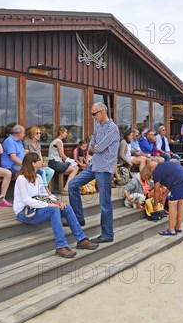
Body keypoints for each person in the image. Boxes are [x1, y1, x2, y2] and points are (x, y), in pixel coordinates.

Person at [13, 153, 98, 258]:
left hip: (37, 208)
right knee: (54, 210)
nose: (42, 161)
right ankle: (61, 246)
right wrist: (50, 205)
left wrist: (57, 202)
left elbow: (44, 194)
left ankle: (81, 240)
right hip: (24, 212)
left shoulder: (38, 177)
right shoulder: (21, 179)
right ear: (33, 163)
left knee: (67, 207)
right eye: (39, 160)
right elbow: (27, 200)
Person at [68, 103, 121, 243]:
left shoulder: (113, 128)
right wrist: (95, 146)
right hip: (94, 165)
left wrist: (95, 146)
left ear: (103, 111)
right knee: (73, 185)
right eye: (92, 114)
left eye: (94, 114)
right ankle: (79, 218)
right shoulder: (98, 127)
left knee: (105, 202)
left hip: (104, 168)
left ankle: (107, 234)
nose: (93, 117)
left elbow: (99, 147)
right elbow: (91, 147)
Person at [150, 161, 183, 235]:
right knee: (180, 202)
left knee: (172, 203)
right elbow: (171, 184)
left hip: (180, 179)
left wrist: (156, 204)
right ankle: (178, 227)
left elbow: (156, 190)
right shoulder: (166, 166)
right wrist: (164, 195)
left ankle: (171, 230)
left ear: (151, 168)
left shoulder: (156, 171)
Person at [48, 126, 79, 194]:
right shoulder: (58, 142)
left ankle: (67, 187)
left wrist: (69, 162)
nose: (66, 134)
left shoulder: (56, 141)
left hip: (54, 162)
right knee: (75, 168)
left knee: (75, 167)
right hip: (55, 163)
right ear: (61, 133)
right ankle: (66, 188)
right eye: (65, 132)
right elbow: (62, 155)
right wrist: (70, 161)